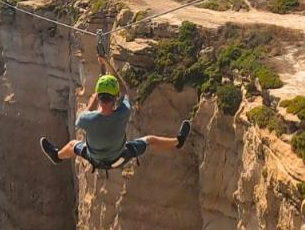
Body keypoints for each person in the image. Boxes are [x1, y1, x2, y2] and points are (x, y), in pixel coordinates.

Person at [40, 56, 191, 168]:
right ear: (115, 97)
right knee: (150, 140)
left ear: (99, 97)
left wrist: (93, 98)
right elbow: (124, 90)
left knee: (74, 144)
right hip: (120, 157)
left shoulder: (86, 120)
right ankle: (178, 142)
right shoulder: (123, 113)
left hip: (95, 159)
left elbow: (87, 112)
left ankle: (57, 156)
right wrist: (107, 63)